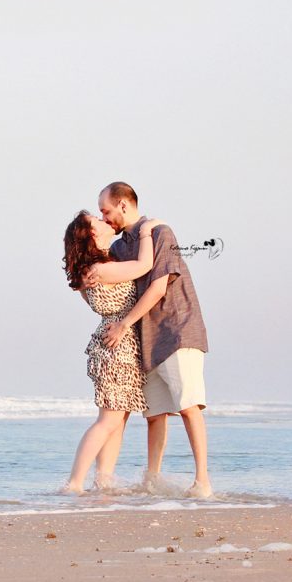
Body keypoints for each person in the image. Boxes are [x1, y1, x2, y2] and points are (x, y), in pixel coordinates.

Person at [87, 181, 213, 498]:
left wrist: (123, 324)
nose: (105, 218)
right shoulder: (119, 248)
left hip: (176, 330)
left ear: (124, 205)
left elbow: (158, 288)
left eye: (106, 211)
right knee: (154, 414)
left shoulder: (160, 233)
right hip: (146, 339)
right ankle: (152, 480)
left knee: (188, 406)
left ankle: (203, 481)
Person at [61, 210, 160, 492]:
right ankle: (74, 483)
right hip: (116, 347)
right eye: (97, 220)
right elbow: (145, 265)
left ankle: (103, 481)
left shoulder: (94, 270)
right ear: (92, 234)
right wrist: (146, 231)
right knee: (108, 420)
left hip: (118, 344)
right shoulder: (100, 270)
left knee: (119, 419)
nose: (104, 221)